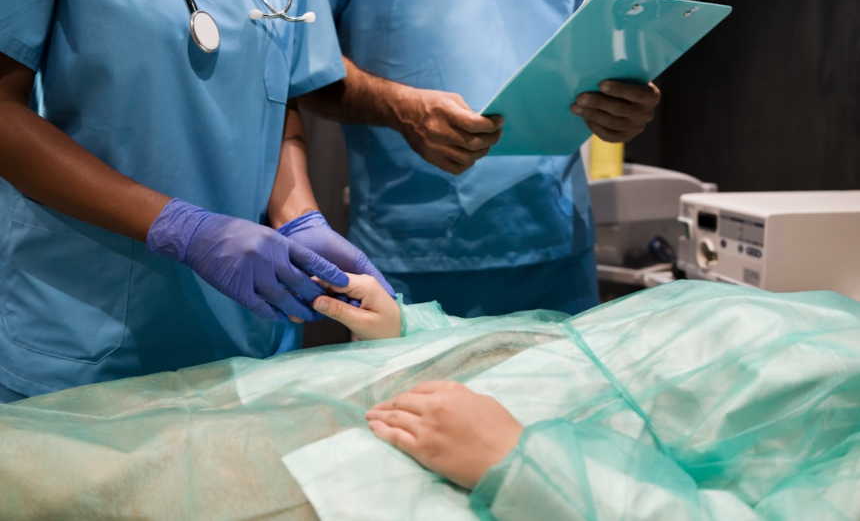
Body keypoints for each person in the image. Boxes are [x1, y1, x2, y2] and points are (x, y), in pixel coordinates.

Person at [2, 275, 859, 520]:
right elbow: (594, 353)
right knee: (58, 440)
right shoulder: (836, 321)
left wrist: (524, 466)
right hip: (397, 385)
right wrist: (411, 327)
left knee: (76, 483)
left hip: (420, 476)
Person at [0, 0, 391, 404]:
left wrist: (298, 216)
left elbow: (277, 93)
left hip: (247, 335)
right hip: (89, 329)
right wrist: (180, 228)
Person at [298, 0, 662, 318]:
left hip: (556, 244)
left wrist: (625, 102)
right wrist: (399, 108)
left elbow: (617, 32)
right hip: (413, 250)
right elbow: (305, 63)